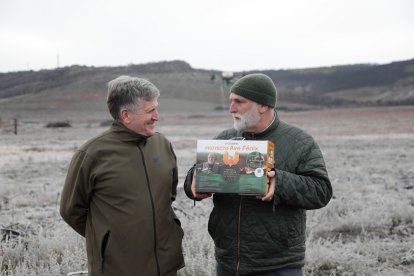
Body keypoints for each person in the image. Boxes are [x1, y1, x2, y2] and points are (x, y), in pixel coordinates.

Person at [184, 73, 332, 275]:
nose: (231, 108)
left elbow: (321, 191)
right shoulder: (225, 139)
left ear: (263, 105)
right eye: (231, 101)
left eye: (239, 102)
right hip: (228, 261)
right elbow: (194, 177)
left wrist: (276, 180)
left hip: (277, 265)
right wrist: (194, 181)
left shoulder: (299, 141)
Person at [60, 76, 185, 276]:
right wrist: (109, 241)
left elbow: (168, 195)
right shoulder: (92, 154)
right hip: (119, 268)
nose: (157, 117)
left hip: (166, 263)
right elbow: (71, 211)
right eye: (150, 111)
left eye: (156, 108)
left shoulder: (162, 144)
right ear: (126, 115)